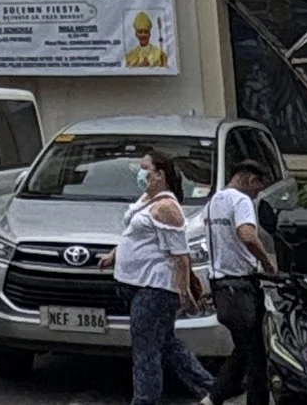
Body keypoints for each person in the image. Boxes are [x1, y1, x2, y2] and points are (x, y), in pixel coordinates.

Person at [114, 146, 218, 405]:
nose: (140, 173)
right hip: (136, 284)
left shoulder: (167, 208)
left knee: (146, 350)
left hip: (155, 288)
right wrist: (114, 254)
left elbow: (180, 256)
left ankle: (145, 400)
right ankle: (213, 389)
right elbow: (135, 234)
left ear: (160, 174)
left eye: (145, 168)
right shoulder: (146, 198)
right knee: (166, 344)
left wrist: (184, 293)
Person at [204, 158, 275, 405]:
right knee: (254, 352)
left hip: (220, 286)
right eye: (257, 187)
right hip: (240, 287)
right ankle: (219, 397)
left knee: (247, 349)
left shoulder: (213, 202)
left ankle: (218, 396)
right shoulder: (241, 200)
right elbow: (248, 236)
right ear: (249, 179)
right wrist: (266, 262)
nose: (257, 194)